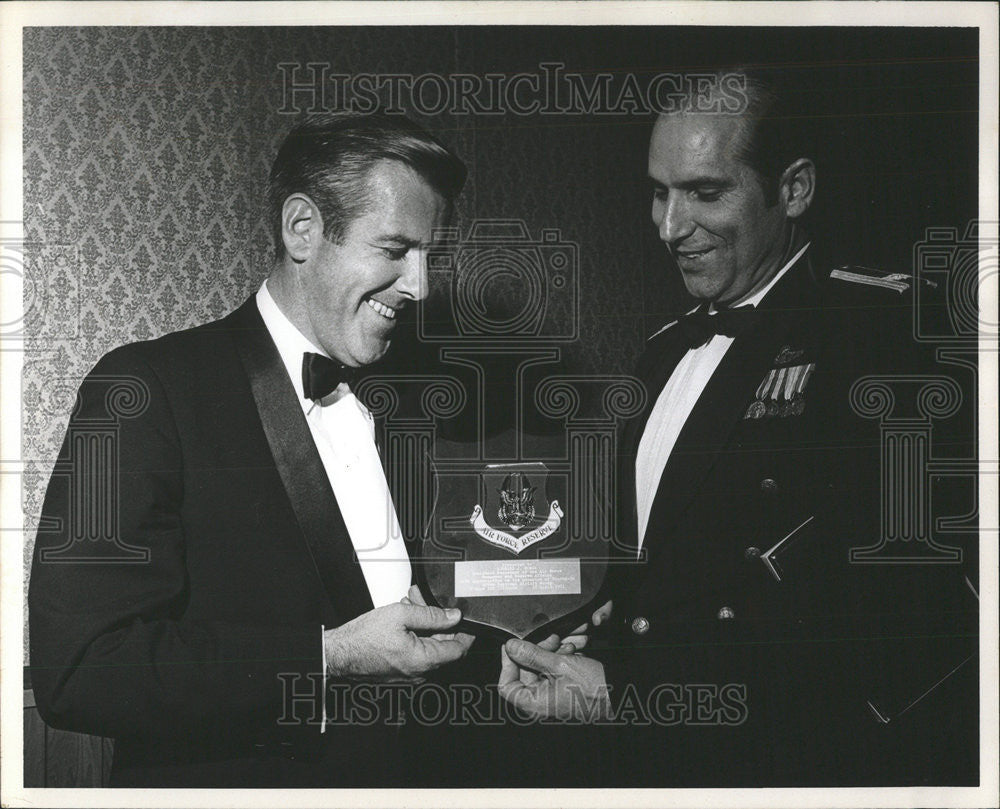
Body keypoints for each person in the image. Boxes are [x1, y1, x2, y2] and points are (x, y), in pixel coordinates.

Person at [498, 69, 978, 786]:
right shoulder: (663, 351)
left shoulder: (882, 339)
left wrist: (634, 691)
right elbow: (658, 571)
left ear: (794, 189)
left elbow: (897, 624)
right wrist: (587, 627)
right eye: (659, 191)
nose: (669, 227)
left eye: (704, 191)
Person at [29, 113, 483, 787]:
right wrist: (330, 657)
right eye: (394, 250)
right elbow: (83, 667)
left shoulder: (415, 401)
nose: (421, 287)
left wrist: (508, 648)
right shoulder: (146, 388)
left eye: (430, 258)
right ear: (302, 229)